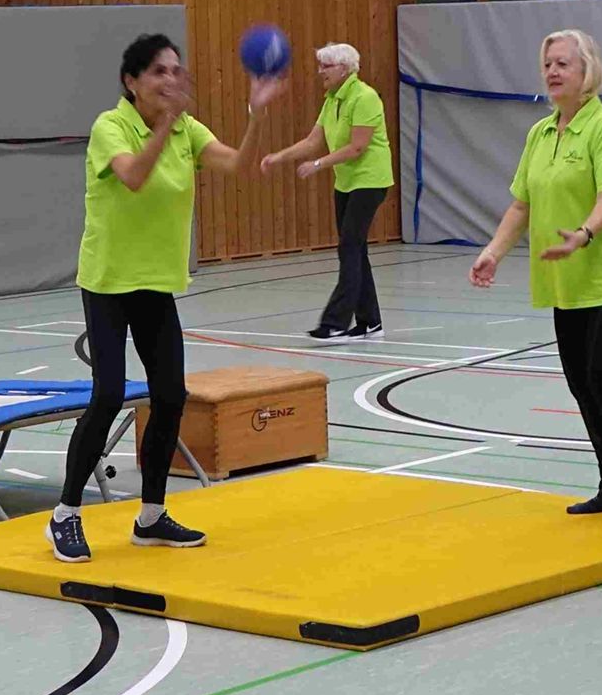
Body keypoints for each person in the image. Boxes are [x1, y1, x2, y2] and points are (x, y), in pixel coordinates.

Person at [48, 34, 283, 562]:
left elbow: (237, 165)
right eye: (159, 71)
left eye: (176, 70)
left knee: (171, 395)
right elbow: (133, 176)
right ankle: (64, 514)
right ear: (131, 82)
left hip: (155, 282)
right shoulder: (110, 127)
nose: (171, 80)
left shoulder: (186, 129)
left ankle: (151, 515)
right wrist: (164, 125)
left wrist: (257, 114)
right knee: (108, 394)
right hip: (108, 281)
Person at [470, 29, 602, 532]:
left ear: (587, 71)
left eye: (563, 63)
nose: (553, 72)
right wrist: (493, 252)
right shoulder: (541, 133)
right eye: (548, 64)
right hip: (567, 280)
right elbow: (521, 204)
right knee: (583, 386)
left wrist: (583, 234)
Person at [262, 42, 394, 340]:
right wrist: (279, 157)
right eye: (320, 65)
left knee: (349, 247)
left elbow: (357, 147)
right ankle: (370, 322)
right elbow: (312, 141)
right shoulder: (332, 100)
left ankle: (335, 322)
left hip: (370, 181)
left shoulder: (365, 97)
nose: (320, 72)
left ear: (345, 69)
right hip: (345, 182)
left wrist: (318, 164)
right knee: (355, 249)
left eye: (326, 66)